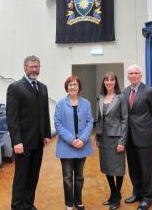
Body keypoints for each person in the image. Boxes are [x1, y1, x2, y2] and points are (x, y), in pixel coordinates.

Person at [6, 55, 51, 210]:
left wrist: (46, 134)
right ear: (25, 67)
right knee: (21, 177)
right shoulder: (15, 87)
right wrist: (16, 141)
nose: (34, 69)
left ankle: (28, 204)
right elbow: (12, 118)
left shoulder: (43, 87)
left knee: (33, 177)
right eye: (31, 66)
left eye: (36, 66)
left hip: (38, 142)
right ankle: (17, 206)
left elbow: (45, 113)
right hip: (22, 143)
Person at [124, 64, 152, 210]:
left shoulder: (149, 91)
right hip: (129, 136)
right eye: (130, 73)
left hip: (144, 136)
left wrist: (146, 126)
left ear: (140, 75)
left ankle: (147, 197)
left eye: (136, 73)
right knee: (133, 167)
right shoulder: (125, 91)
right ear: (128, 76)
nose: (133, 76)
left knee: (146, 168)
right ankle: (137, 193)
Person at [54, 75, 94, 210]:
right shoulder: (60, 103)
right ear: (67, 87)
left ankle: (78, 201)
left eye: (75, 84)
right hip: (66, 145)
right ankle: (69, 204)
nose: (72, 87)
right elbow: (58, 124)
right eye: (70, 84)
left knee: (79, 176)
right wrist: (72, 140)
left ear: (79, 87)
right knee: (67, 176)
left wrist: (82, 139)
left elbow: (90, 122)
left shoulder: (86, 103)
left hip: (82, 145)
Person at [96, 71, 128, 210]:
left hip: (116, 138)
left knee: (118, 169)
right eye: (106, 80)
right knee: (107, 167)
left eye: (112, 80)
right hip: (103, 138)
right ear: (104, 82)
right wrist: (97, 136)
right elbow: (99, 119)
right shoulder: (101, 98)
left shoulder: (121, 97)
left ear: (115, 82)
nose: (109, 82)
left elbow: (125, 119)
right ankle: (113, 194)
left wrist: (122, 141)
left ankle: (117, 196)